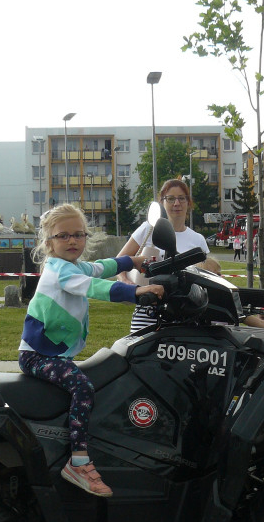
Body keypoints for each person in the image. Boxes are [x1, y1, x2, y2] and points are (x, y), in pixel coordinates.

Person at [21, 204, 163, 497]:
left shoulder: (73, 266)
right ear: (49, 242)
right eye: (63, 236)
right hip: (37, 356)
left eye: (78, 234)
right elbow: (94, 286)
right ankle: (78, 461)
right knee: (83, 387)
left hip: (55, 353)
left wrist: (133, 260)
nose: (72, 241)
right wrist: (135, 291)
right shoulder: (59, 271)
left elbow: (102, 267)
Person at [117, 179, 220, 334]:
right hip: (148, 311)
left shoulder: (198, 239)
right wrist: (126, 282)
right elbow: (119, 261)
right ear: (162, 202)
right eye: (170, 199)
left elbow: (207, 276)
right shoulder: (148, 229)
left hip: (184, 315)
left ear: (188, 202)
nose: (176, 203)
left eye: (181, 198)